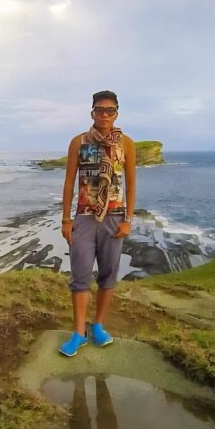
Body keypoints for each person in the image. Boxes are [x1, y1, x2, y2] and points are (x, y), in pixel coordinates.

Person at [59, 90, 136, 357]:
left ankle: (99, 325)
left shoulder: (126, 144)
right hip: (84, 216)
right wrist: (66, 218)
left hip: (114, 217)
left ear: (116, 113)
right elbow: (69, 182)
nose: (104, 115)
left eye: (110, 110)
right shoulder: (78, 142)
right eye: (100, 110)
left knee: (108, 274)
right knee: (80, 275)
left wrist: (128, 220)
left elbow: (131, 184)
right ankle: (79, 332)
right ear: (92, 112)